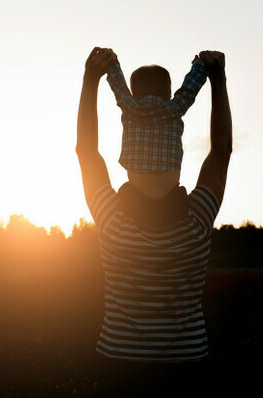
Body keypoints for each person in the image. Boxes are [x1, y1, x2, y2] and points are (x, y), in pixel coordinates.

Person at [76, 47, 232, 397]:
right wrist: (218, 81)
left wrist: (90, 81)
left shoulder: (111, 218)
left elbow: (86, 151)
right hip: (186, 366)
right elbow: (221, 152)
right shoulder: (198, 219)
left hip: (118, 365)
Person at [105, 53, 209, 199]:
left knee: (125, 194)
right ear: (168, 93)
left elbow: (118, 86)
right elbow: (188, 90)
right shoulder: (175, 108)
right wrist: (199, 65)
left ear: (134, 94)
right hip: (170, 196)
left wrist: (111, 62)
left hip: (136, 196)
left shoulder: (130, 108)